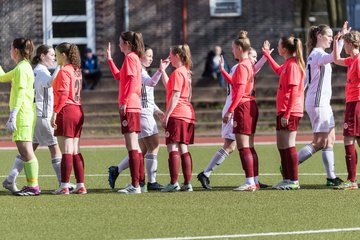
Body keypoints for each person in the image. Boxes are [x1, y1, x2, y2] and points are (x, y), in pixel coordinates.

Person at [197, 46, 270, 190]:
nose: (255, 60)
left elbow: (248, 73)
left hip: (236, 106)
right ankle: (207, 173)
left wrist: (266, 56)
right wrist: (265, 56)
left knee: (238, 146)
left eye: (256, 57)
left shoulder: (244, 66)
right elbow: (241, 85)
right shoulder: (241, 67)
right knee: (231, 146)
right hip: (234, 107)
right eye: (253, 56)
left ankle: (253, 180)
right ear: (246, 55)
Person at [2, 45, 67, 193]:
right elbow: (50, 82)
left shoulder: (32, 70)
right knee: (54, 148)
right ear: (42, 56)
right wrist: (60, 66)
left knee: (28, 150)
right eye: (52, 55)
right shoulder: (41, 72)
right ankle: (63, 184)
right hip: (43, 115)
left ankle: (11, 178)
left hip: (34, 115)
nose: (54, 58)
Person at [107, 45, 170, 192]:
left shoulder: (139, 70)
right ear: (141, 56)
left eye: (152, 57)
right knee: (153, 147)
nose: (151, 59)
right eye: (148, 56)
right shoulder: (139, 71)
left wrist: (157, 110)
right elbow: (151, 83)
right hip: (142, 114)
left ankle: (119, 171)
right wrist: (161, 71)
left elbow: (146, 97)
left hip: (143, 111)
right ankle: (150, 182)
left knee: (141, 149)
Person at [297, 23, 350, 187]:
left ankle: (331, 177)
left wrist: (340, 38)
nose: (330, 39)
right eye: (328, 36)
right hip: (318, 103)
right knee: (319, 141)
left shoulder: (318, 54)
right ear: (319, 35)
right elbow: (335, 57)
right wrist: (339, 40)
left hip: (322, 103)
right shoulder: (317, 54)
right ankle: (289, 166)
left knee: (330, 140)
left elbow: (334, 55)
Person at [262, 35, 305, 190]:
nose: (277, 47)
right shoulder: (287, 64)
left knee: (289, 144)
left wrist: (287, 114)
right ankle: (287, 178)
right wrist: (267, 54)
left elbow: (294, 92)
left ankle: (294, 180)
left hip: (290, 111)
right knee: (281, 144)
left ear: (285, 49)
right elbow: (278, 70)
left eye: (279, 45)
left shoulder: (293, 65)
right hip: (283, 110)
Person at [0, 38, 40, 196]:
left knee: (27, 152)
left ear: (15, 50)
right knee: (26, 152)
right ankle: (14, 181)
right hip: (26, 113)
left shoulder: (22, 69)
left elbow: (21, 92)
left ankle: (33, 187)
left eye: (11, 47)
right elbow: (2, 78)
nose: (10, 50)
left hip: (23, 114)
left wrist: (13, 115)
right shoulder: (22, 67)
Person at [106, 31, 145, 194]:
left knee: (132, 147)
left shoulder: (130, 58)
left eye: (120, 42)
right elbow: (119, 76)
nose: (118, 44)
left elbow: (132, 81)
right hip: (134, 105)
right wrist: (109, 59)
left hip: (130, 106)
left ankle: (135, 185)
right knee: (135, 146)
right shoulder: (133, 58)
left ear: (127, 43)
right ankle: (140, 183)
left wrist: (124, 102)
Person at [52, 42, 87, 195]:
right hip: (78, 109)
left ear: (64, 55)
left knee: (66, 150)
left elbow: (64, 94)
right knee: (75, 150)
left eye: (57, 54)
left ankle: (64, 186)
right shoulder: (77, 70)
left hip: (67, 110)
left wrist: (55, 112)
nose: (55, 57)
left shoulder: (64, 71)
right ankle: (80, 185)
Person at [160, 44, 195, 192]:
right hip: (187, 113)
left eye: (171, 55)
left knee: (172, 147)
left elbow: (175, 95)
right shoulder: (186, 72)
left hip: (178, 114)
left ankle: (174, 182)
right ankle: (187, 183)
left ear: (177, 56)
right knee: (183, 147)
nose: (169, 58)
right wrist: (163, 71)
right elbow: (170, 86)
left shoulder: (178, 73)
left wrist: (167, 115)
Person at [333, 29, 360, 190]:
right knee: (357, 140)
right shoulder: (351, 60)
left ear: (350, 44)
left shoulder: (357, 61)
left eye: (344, 44)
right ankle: (352, 180)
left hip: (356, 104)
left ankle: (351, 180)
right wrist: (337, 40)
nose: (343, 47)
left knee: (348, 139)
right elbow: (336, 59)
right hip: (354, 103)